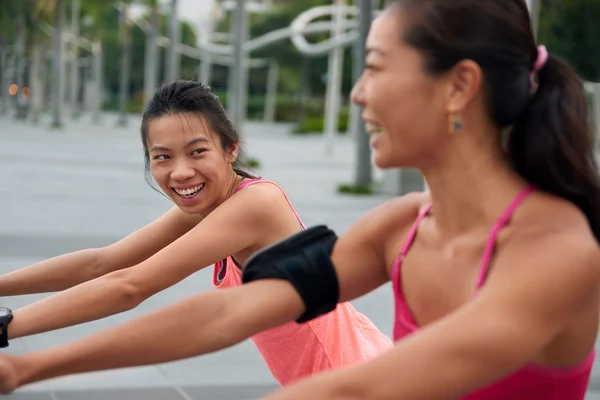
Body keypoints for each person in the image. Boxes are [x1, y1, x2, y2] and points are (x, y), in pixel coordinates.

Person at [1, 0, 599, 398]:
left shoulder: (557, 253)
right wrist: (22, 365)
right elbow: (228, 312)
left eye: (374, 67)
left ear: (460, 86)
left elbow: (360, 388)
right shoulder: (398, 227)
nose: (359, 94)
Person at [0, 80, 392, 387]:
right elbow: (104, 262)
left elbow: (129, 286)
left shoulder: (256, 204)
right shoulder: (210, 204)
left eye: (197, 151)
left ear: (231, 149)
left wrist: (6, 327)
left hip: (354, 379)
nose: (181, 172)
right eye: (162, 157)